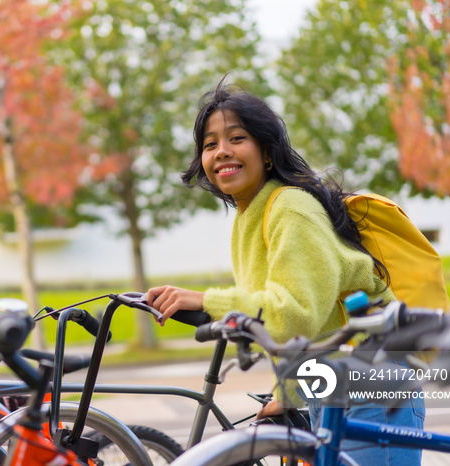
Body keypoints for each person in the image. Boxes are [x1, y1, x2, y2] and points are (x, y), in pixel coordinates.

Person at [144, 77, 424, 466]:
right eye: (210, 145)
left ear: (267, 152)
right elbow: (291, 329)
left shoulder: (290, 207)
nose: (222, 151)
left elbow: (293, 313)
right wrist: (289, 394)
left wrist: (207, 300)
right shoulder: (251, 215)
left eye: (236, 138)